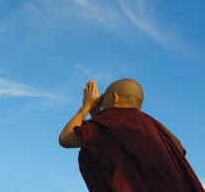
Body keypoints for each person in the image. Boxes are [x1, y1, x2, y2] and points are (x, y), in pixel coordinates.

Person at [59, 78, 204, 192]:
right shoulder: (152, 125)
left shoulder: (112, 122)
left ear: (113, 97)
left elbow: (65, 138)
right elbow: (109, 140)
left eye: (103, 99)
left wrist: (86, 107)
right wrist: (96, 115)